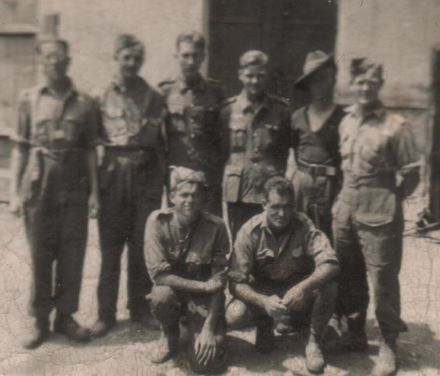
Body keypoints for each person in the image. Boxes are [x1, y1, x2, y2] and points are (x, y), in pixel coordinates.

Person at [332, 58, 420, 376]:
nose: (365, 87)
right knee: (349, 273)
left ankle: (388, 343)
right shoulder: (346, 122)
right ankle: (354, 333)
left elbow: (411, 175)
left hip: (381, 209)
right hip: (346, 207)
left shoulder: (396, 124)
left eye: (372, 81)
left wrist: (392, 199)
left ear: (380, 83)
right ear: (352, 85)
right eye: (360, 81)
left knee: (383, 279)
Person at [9, 38, 99, 348]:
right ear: (40, 61)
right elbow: (20, 148)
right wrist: (14, 193)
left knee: (72, 254)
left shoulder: (86, 103)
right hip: (39, 186)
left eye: (60, 57)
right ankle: (39, 320)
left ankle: (66, 317)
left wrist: (95, 194)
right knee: (40, 255)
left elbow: (90, 151)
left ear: (68, 60)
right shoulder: (28, 99)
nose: (55, 63)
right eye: (49, 58)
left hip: (74, 185)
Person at [90, 34, 167, 337]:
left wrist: (161, 186)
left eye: (137, 59)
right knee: (110, 250)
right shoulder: (100, 96)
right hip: (112, 174)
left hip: (145, 174)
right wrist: (94, 193)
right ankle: (105, 315)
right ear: (116, 58)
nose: (132, 64)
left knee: (140, 247)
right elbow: (91, 145)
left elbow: (161, 145)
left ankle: (139, 309)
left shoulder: (154, 96)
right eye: (126, 58)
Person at [228, 176, 339, 374]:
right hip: (264, 294)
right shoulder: (249, 231)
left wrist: (303, 287)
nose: (282, 213)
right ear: (264, 204)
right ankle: (265, 326)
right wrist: (263, 301)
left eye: (288, 207)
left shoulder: (303, 224)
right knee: (234, 315)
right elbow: (235, 282)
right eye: (276, 207)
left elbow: (330, 263)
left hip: (295, 293)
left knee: (329, 285)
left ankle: (314, 341)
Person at [145, 166, 229, 374]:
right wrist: (203, 286)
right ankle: (169, 335)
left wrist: (209, 329)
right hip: (175, 293)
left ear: (202, 199)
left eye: (195, 195)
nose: (189, 201)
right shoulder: (157, 222)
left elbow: (219, 283)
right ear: (172, 196)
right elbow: (160, 275)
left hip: (202, 302)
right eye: (183, 195)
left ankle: (201, 329)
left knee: (205, 365)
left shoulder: (216, 227)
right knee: (161, 295)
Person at [220, 50, 291, 239]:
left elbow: (284, 151)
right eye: (249, 76)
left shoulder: (280, 110)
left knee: (268, 243)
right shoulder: (228, 110)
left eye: (260, 76)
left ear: (267, 76)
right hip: (239, 192)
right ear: (240, 75)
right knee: (241, 241)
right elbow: (220, 150)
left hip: (269, 190)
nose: (254, 81)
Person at [158, 31, 225, 216]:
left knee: (209, 230)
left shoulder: (215, 91)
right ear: (176, 56)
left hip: (208, 176)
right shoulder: (166, 91)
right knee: (177, 230)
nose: (190, 61)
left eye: (195, 55)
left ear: (203, 57)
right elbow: (158, 138)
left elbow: (223, 137)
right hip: (178, 176)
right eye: (185, 55)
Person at [290, 51, 344, 242]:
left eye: (324, 78)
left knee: (330, 238)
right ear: (308, 85)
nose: (319, 85)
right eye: (314, 81)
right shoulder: (297, 117)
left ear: (333, 79)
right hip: (302, 186)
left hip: (331, 187)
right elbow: (295, 152)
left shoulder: (343, 117)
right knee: (298, 237)